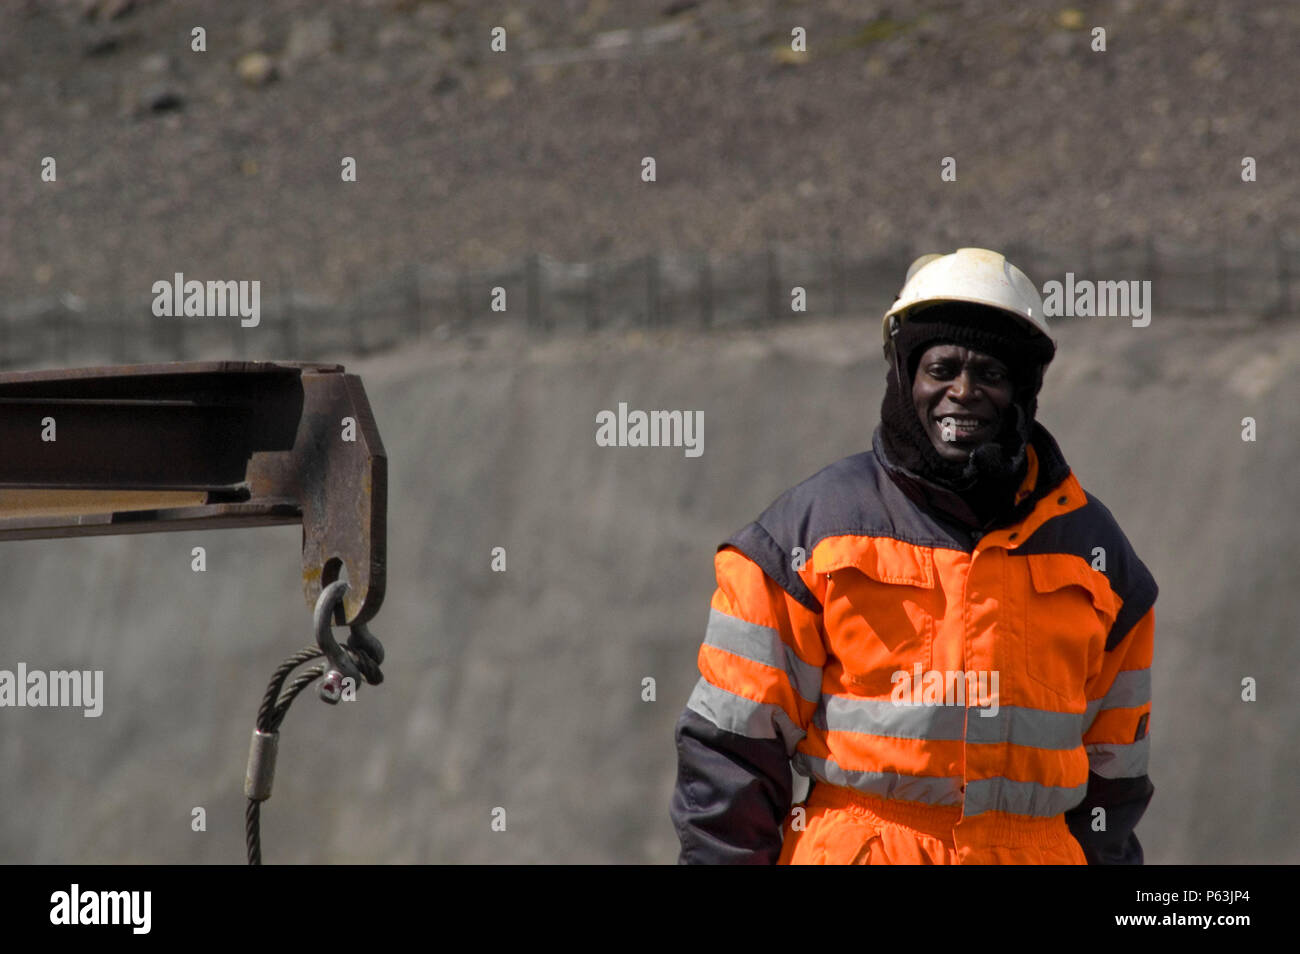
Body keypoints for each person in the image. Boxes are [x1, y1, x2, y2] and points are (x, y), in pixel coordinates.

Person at [670, 248, 1157, 865]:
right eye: (941, 368)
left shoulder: (1100, 559)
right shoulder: (805, 537)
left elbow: (1114, 786)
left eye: (991, 374)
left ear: (1023, 391)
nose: (964, 392)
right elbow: (731, 751)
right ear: (905, 378)